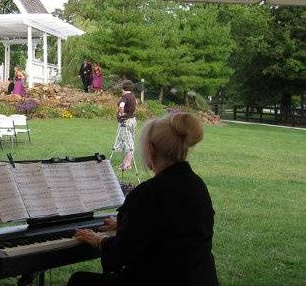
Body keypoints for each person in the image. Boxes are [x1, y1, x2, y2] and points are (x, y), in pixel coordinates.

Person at [68, 113, 217, 286]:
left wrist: (98, 239)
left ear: (152, 149)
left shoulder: (150, 192)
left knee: (78, 281)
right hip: (199, 278)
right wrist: (126, 222)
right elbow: (169, 224)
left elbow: (119, 255)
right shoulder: (197, 185)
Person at [114, 80, 137, 170]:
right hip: (132, 121)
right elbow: (136, 106)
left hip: (126, 121)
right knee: (130, 140)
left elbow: (121, 106)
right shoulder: (132, 96)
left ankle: (126, 165)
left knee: (128, 143)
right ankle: (127, 162)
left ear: (123, 88)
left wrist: (122, 114)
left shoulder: (125, 97)